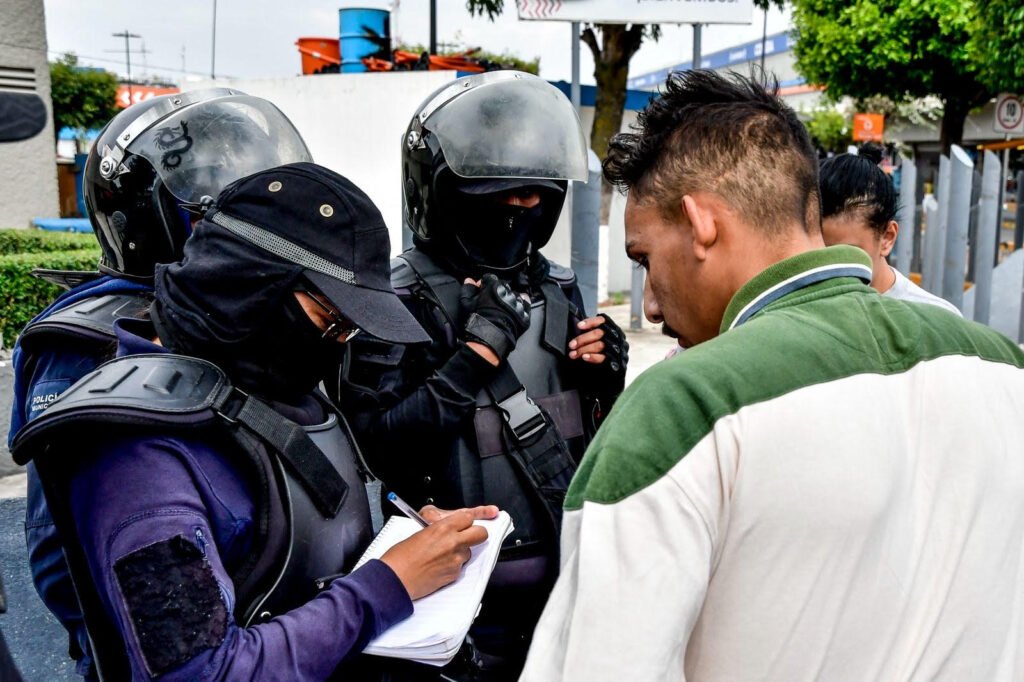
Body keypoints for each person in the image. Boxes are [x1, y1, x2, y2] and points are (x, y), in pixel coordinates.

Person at [521, 70, 1024, 681]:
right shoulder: (1000, 365)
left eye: (645, 259)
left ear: (701, 222)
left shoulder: (680, 410)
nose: (649, 303)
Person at [12, 162, 498, 680]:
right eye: (329, 320)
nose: (336, 344)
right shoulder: (138, 452)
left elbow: (298, 557)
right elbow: (200, 672)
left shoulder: (260, 391)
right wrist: (390, 584)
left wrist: (407, 551)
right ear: (246, 284)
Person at [330, 71, 628, 678]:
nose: (522, 209)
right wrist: (473, 359)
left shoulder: (558, 287)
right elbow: (374, 450)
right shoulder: (394, 299)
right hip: (455, 602)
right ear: (443, 192)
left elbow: (586, 437)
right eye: (502, 193)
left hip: (567, 584)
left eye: (535, 195)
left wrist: (604, 381)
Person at [7, 88, 315, 677]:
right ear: (150, 220)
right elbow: (60, 558)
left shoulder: (247, 310)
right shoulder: (90, 345)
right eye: (220, 219)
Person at [820, 144, 962, 315]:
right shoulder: (801, 312)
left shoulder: (936, 319)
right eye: (819, 254)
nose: (831, 269)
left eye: (849, 255)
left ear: (887, 238)